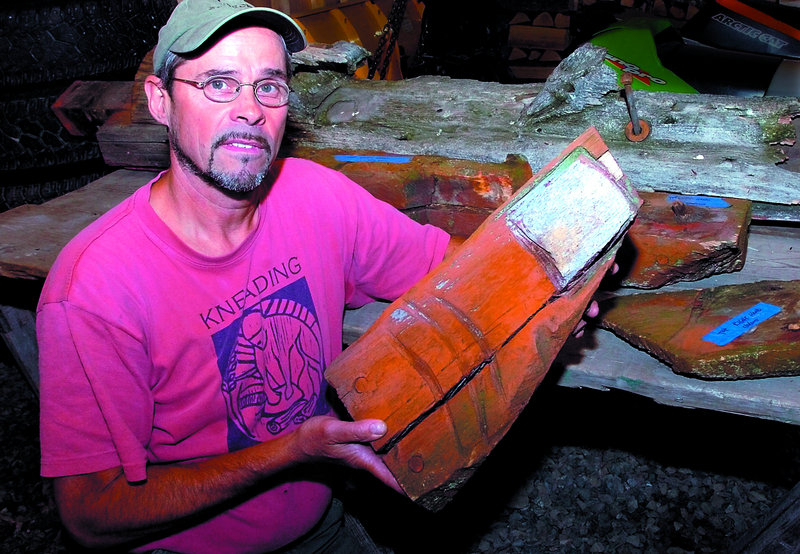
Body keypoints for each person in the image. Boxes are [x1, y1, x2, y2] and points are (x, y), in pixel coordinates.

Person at [37, 1, 601, 552]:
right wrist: (291, 452)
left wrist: (544, 292)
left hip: (320, 522)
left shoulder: (312, 195)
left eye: (269, 86)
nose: (249, 109)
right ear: (160, 101)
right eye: (218, 84)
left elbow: (452, 267)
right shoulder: (95, 289)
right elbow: (91, 514)